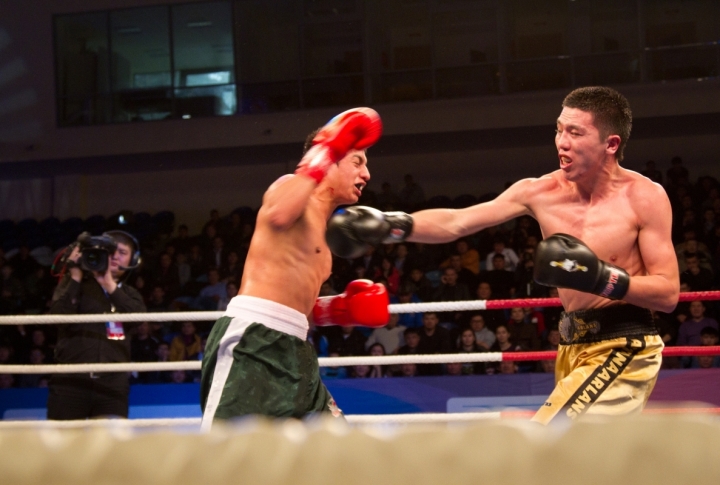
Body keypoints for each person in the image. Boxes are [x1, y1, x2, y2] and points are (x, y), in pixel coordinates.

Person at [326, 86, 679, 424]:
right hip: (572, 346)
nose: (562, 143)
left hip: (625, 344)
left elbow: (667, 294)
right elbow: (457, 222)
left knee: (546, 443)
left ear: (611, 143)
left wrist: (601, 278)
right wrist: (391, 226)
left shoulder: (644, 197)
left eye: (575, 132)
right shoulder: (539, 191)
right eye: (558, 130)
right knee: (583, 461)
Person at [200, 107, 388, 430]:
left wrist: (337, 310)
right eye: (357, 161)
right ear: (331, 158)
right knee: (226, 465)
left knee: (344, 458)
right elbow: (279, 214)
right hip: (252, 342)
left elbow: (298, 307)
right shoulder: (289, 188)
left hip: (297, 353)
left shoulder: (327, 234)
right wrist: (327, 147)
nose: (366, 174)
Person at [47, 230, 145, 420]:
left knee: (110, 448)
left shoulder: (131, 295)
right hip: (70, 382)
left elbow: (137, 319)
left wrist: (108, 283)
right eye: (111, 250)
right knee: (62, 447)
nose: (116, 256)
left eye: (123, 252)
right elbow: (57, 319)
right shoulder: (73, 284)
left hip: (112, 386)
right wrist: (75, 276)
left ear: (133, 260)